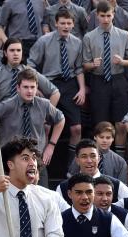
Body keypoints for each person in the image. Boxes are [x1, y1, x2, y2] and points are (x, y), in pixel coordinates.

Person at [0, 69, 65, 186]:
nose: (29, 91)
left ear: (37, 88)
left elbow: (60, 119)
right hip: (12, 160)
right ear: (18, 88)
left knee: (41, 197)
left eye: (32, 87)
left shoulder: (44, 104)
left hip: (36, 159)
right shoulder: (7, 105)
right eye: (25, 87)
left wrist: (51, 145)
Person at [28, 10, 85, 156]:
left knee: (76, 128)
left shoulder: (78, 42)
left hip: (70, 84)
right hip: (49, 83)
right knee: (45, 127)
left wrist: (82, 89)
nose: (66, 26)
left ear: (73, 24)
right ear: (56, 24)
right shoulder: (44, 41)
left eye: (69, 23)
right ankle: (42, 162)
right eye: (62, 23)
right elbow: (31, 65)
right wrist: (37, 86)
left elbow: (78, 68)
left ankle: (73, 165)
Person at [83, 1, 128, 139]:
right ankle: (100, 156)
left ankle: (120, 156)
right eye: (102, 16)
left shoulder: (124, 35)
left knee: (121, 123)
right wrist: (92, 64)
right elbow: (84, 64)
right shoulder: (89, 37)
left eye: (108, 15)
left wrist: (123, 61)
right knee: (100, 123)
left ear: (113, 14)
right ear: (97, 16)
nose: (106, 19)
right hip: (98, 80)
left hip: (118, 79)